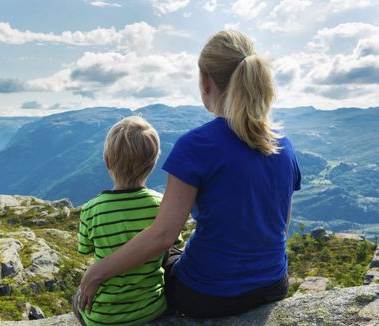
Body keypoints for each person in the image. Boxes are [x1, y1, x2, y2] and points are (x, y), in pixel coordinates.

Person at [77, 30, 302, 319]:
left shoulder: (196, 145)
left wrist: (96, 273)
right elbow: (280, 228)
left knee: (164, 260)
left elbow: (162, 237)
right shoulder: (283, 144)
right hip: (272, 284)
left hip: (208, 295)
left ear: (205, 80)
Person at [73, 116, 181, 325]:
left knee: (74, 301)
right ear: (152, 164)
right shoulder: (162, 206)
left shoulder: (91, 209)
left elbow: (85, 249)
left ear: (107, 162)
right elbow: (171, 246)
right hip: (151, 309)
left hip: (104, 318)